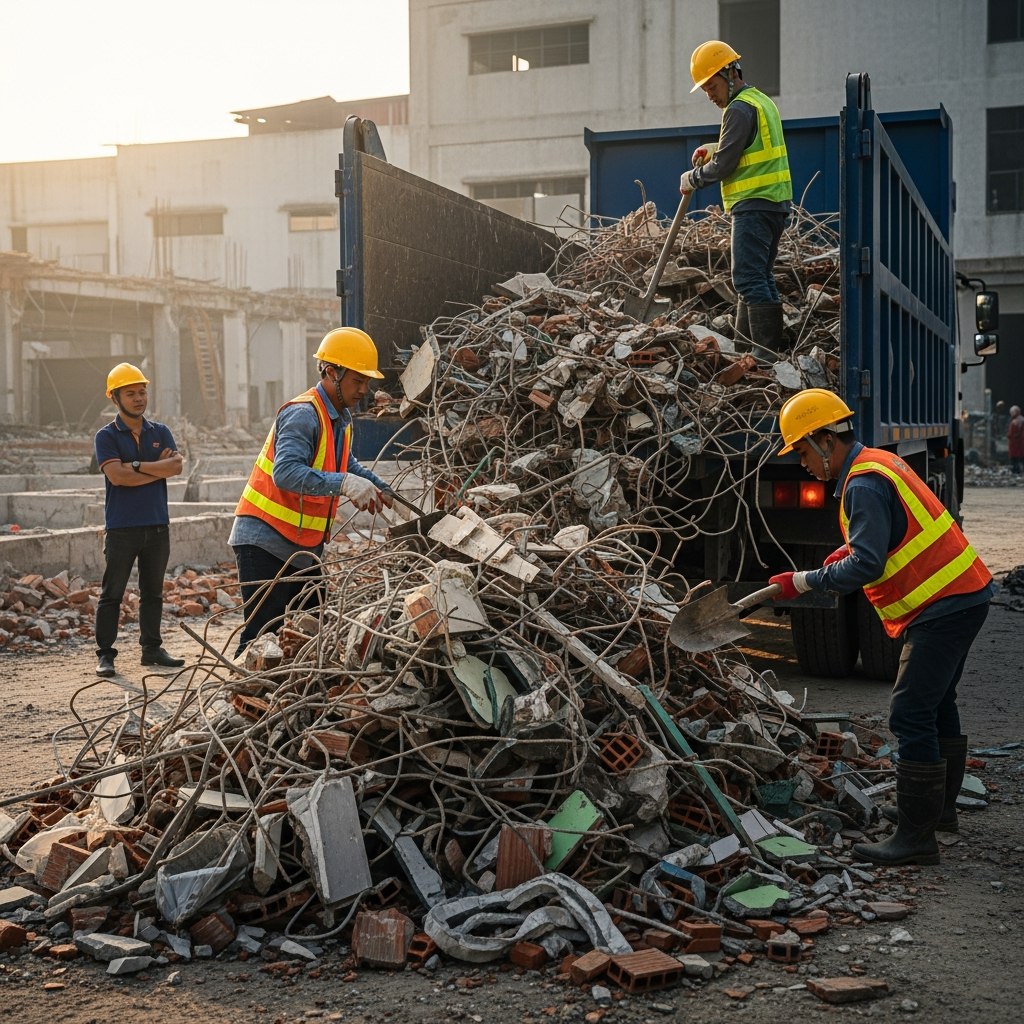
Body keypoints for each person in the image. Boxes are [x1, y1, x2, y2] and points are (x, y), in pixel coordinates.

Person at [768, 388, 995, 867]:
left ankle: (916, 838)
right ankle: (938, 814)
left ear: (825, 439)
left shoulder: (863, 484)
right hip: (961, 595)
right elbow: (884, 541)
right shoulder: (875, 464)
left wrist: (803, 581)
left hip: (944, 604)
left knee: (910, 713)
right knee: (937, 704)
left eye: (803, 452)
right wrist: (845, 554)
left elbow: (867, 565)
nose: (802, 463)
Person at [229, 326, 395, 657]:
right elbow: (286, 473)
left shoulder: (339, 420)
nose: (364, 390)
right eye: (357, 381)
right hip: (264, 542)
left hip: (302, 547)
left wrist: (381, 488)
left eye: (366, 382)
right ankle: (239, 701)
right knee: (262, 639)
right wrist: (346, 484)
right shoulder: (303, 414)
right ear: (331, 373)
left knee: (311, 633)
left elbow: (345, 464)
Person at [679, 39, 792, 358]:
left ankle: (764, 357)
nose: (709, 95)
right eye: (704, 90)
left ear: (730, 73)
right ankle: (747, 351)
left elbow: (727, 164)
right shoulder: (759, 102)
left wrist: (693, 178)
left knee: (746, 277)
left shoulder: (738, 109)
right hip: (774, 205)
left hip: (753, 205)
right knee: (757, 277)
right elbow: (747, 148)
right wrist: (712, 149)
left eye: (711, 86)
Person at [93, 362, 186, 678]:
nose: (138, 398)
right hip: (122, 527)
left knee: (153, 592)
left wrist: (135, 466)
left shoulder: (160, 432)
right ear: (115, 398)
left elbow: (176, 468)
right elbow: (117, 477)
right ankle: (105, 655)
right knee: (112, 594)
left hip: (157, 525)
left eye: (142, 392)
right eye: (130, 393)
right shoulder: (105, 436)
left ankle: (151, 650)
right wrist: (151, 467)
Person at [1008, 404, 1024, 474]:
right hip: (1020, 444)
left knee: (1015, 459)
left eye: (1011, 412)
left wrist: (1009, 436)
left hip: (1015, 444)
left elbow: (1012, 434)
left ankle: (1016, 471)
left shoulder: (1015, 422)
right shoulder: (1021, 419)